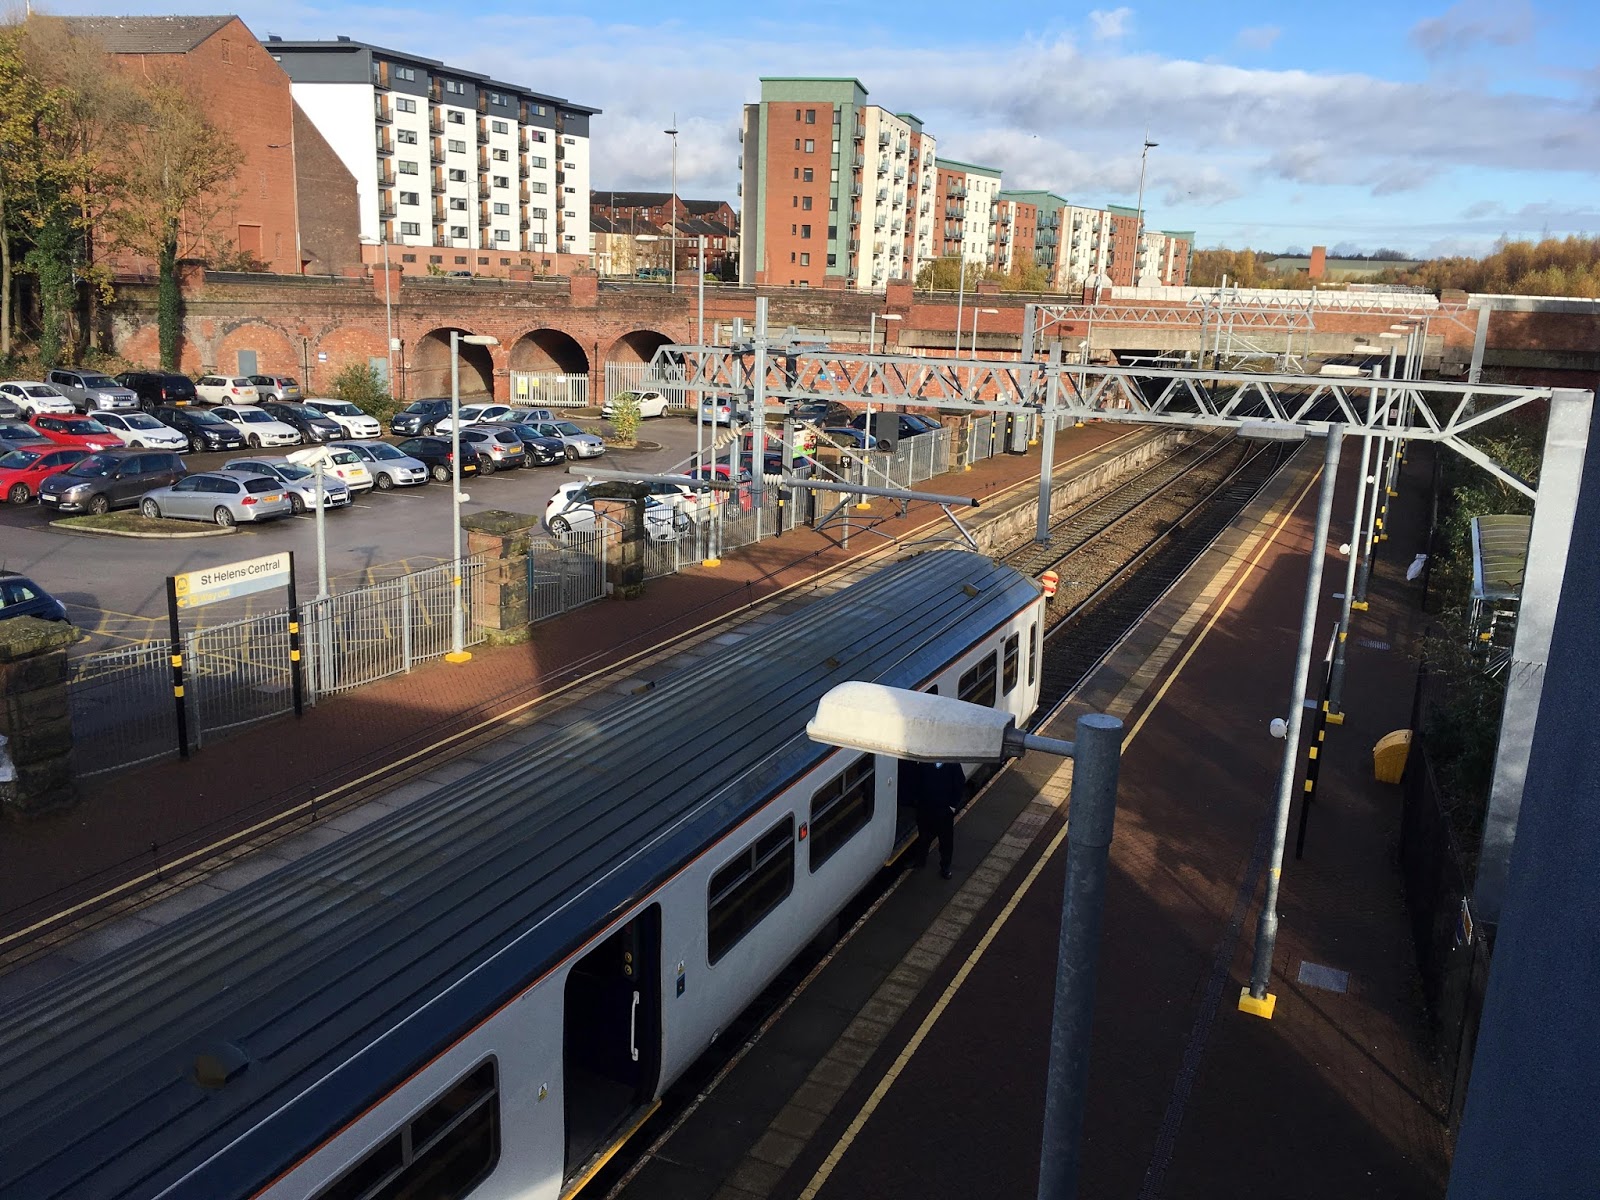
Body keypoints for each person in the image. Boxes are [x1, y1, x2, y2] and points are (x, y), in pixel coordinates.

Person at [908, 759, 964, 879]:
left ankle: (945, 867)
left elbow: (959, 784)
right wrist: (918, 802)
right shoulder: (925, 763)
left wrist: (952, 806)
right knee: (923, 837)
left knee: (946, 841)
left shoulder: (953, 765)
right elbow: (917, 783)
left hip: (944, 811)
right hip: (925, 808)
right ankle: (920, 861)